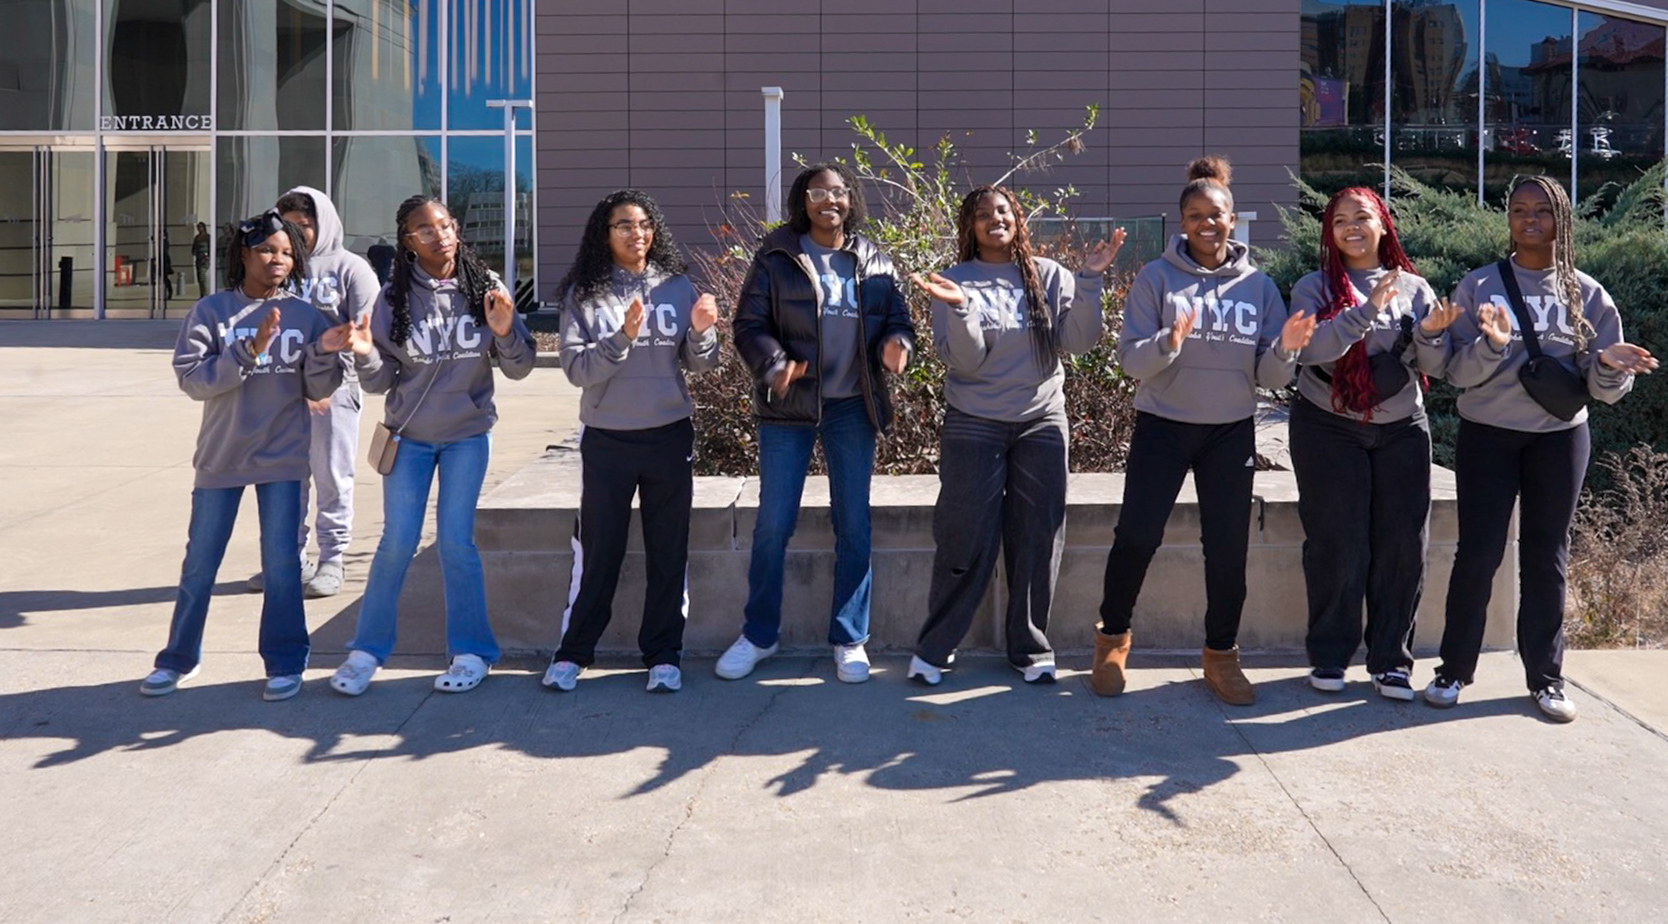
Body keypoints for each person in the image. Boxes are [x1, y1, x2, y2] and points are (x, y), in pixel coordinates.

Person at [1424, 174, 1657, 722]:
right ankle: (1454, 669)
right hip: (1489, 434)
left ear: (1562, 222)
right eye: (1520, 210)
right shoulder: (1479, 286)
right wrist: (1491, 346)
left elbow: (1604, 390)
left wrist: (1605, 365)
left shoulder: (1586, 293)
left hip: (1559, 437)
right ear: (1508, 218)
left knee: (1547, 556)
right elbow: (1454, 371)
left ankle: (1546, 678)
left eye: (1543, 211)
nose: (1530, 219)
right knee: (1478, 553)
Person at [1091, 156, 1315, 706]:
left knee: (1227, 549)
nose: (1205, 224)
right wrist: (1168, 342)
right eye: (1194, 215)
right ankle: (1112, 641)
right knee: (1137, 537)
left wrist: (1286, 347)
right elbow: (1129, 361)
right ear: (1182, 222)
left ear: (1232, 218)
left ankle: (1220, 655)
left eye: (1214, 215)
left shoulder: (1258, 285)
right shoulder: (1156, 278)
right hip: (1164, 427)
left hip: (1229, 433)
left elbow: (1267, 374)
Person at [904, 186, 1121, 686]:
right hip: (972, 421)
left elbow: (1079, 343)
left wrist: (1090, 280)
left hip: (1041, 421)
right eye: (982, 215)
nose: (993, 219)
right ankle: (938, 646)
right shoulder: (953, 281)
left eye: (1002, 211)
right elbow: (967, 361)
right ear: (971, 227)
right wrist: (960, 308)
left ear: (1017, 219)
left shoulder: (1048, 275)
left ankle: (1029, 646)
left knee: (1038, 536)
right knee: (962, 534)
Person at [327, 196, 536, 697]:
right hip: (411, 441)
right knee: (396, 543)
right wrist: (363, 354)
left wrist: (506, 331)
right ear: (408, 241)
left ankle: (471, 651)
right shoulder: (393, 298)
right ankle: (366, 652)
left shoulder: (485, 287)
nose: (439, 235)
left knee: (455, 543)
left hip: (466, 437)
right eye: (425, 229)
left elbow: (520, 365)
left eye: (445, 225)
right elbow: (381, 383)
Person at [140, 211, 350, 701]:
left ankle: (284, 661)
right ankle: (178, 658)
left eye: (286, 252)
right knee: (200, 565)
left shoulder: (305, 314)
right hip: (222, 458)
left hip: (283, 458)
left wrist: (326, 351)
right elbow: (194, 380)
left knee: (281, 565)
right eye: (267, 251)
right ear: (244, 254)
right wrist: (248, 350)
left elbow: (320, 388)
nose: (278, 259)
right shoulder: (212, 312)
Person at [723, 162, 917, 683]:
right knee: (772, 525)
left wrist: (898, 346)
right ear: (802, 201)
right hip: (789, 410)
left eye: (837, 192)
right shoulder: (776, 254)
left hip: (853, 406)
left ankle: (850, 637)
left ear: (850, 199)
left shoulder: (873, 257)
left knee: (853, 522)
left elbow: (897, 318)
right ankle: (759, 635)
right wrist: (774, 365)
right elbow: (748, 324)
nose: (828, 200)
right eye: (817, 193)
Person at [543, 190, 722, 694]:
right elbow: (578, 371)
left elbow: (699, 362)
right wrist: (621, 337)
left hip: (668, 435)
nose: (636, 234)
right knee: (600, 551)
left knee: (669, 549)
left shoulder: (677, 286)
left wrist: (704, 332)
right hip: (608, 439)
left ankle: (664, 655)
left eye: (643, 224)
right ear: (605, 233)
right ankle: (574, 652)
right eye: (623, 225)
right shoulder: (584, 293)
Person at [1287, 186, 1452, 700]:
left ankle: (1390, 660)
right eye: (1339, 221)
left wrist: (1430, 334)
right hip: (1327, 424)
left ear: (1383, 224)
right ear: (1329, 233)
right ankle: (1331, 655)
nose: (1351, 228)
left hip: (1401, 427)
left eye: (1362, 217)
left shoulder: (1414, 287)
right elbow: (1313, 348)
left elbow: (1436, 367)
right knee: (1338, 542)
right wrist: (1364, 311)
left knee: (1403, 544)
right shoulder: (1313, 287)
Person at [243, 188, 381, 599]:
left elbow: (366, 331)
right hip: (280, 391)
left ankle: (332, 559)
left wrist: (329, 377)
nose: (296, 235)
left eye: (304, 226)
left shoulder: (350, 269)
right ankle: (289, 559)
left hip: (332, 393)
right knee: (284, 478)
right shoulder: (277, 265)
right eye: (288, 226)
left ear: (323, 223)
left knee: (332, 476)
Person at [192, 222, 212, 297]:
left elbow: (210, 247)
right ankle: (202, 294)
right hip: (198, 258)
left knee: (202, 276)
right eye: (198, 227)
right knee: (199, 278)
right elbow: (194, 248)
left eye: (200, 227)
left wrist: (208, 256)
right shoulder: (197, 237)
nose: (199, 229)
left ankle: (205, 294)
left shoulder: (207, 237)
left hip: (205, 259)